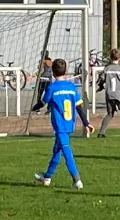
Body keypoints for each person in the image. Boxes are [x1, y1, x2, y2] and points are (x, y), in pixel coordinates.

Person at [32, 59, 95, 189]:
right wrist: (86, 123)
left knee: (66, 151)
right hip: (69, 124)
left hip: (59, 125)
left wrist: (33, 108)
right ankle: (47, 177)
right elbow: (79, 107)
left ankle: (77, 179)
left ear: (53, 73)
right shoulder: (72, 87)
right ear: (65, 71)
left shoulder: (52, 87)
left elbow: (43, 103)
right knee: (57, 150)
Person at [97, 49, 120, 138]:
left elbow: (101, 79)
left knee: (110, 113)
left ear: (110, 57)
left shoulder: (107, 68)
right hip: (118, 95)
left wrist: (101, 86)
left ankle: (101, 132)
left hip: (109, 94)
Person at [35, 50, 53, 115]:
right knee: (47, 95)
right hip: (47, 80)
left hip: (43, 80)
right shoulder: (50, 62)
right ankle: (49, 109)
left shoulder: (43, 61)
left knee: (40, 95)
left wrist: (36, 74)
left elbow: (41, 70)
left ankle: (39, 109)